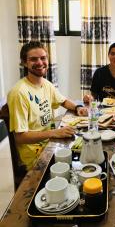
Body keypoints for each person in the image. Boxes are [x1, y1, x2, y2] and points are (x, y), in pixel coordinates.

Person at [7, 41, 88, 170]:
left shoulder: (46, 84)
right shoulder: (19, 93)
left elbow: (63, 101)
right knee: (83, 163)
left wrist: (78, 108)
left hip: (51, 144)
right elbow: (20, 137)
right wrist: (54, 133)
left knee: (88, 148)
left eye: (43, 58)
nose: (40, 63)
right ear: (24, 62)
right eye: (33, 59)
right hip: (35, 155)